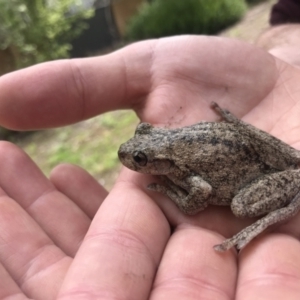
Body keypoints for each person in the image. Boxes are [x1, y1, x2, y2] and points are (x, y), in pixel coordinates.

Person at [1, 3, 300, 300]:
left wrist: (175, 195)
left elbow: (201, 191)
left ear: (160, 161)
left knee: (241, 208)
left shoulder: (180, 167)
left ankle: (285, 206)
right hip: (246, 149)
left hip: (253, 174)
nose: (130, 158)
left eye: (140, 160)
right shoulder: (171, 146)